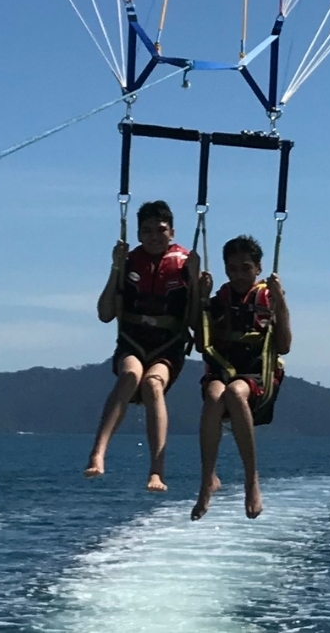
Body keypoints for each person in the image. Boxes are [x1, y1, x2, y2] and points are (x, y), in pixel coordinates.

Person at [84, 199, 197, 490]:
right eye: (146, 231)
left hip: (167, 346)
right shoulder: (129, 262)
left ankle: (156, 470)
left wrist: (197, 283)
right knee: (131, 375)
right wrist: (115, 268)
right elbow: (105, 314)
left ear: (172, 233)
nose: (154, 237)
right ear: (138, 234)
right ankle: (98, 453)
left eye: (160, 230)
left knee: (152, 384)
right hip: (133, 341)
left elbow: (197, 322)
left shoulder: (185, 264)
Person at [190, 234, 290, 521]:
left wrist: (280, 300)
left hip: (258, 375)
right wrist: (200, 297)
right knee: (214, 396)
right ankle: (207, 479)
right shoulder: (219, 300)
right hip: (222, 370)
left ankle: (251, 481)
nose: (238, 275)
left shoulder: (268, 299)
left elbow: (284, 345)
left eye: (245, 268)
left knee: (234, 392)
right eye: (232, 269)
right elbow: (200, 344)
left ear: (258, 268)